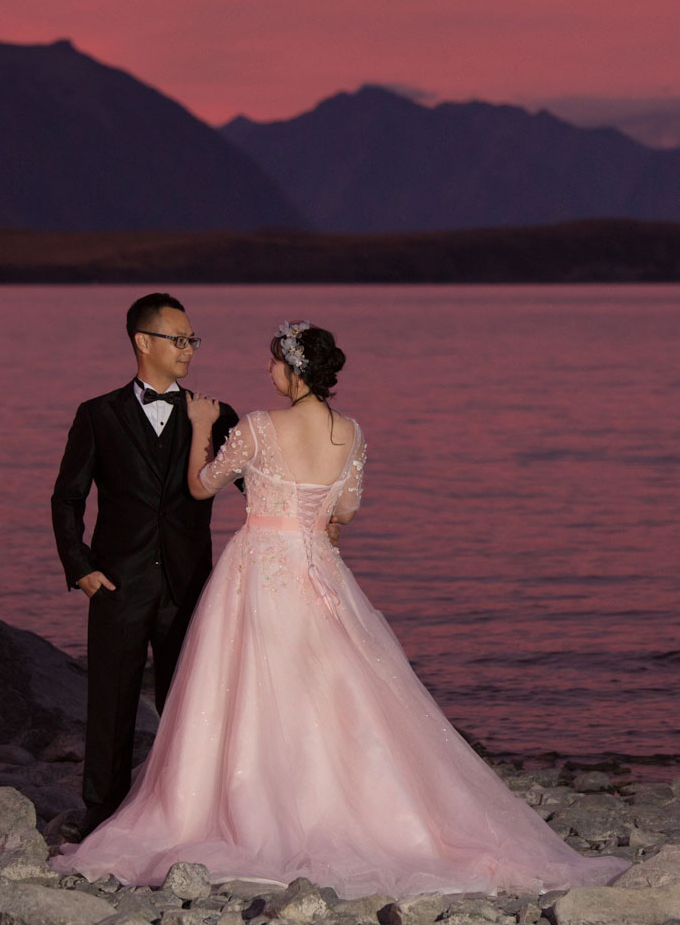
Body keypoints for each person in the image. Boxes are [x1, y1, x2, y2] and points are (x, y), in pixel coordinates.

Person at [51, 321, 628, 897]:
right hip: (316, 567)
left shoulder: (257, 424)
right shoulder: (351, 433)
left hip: (258, 569)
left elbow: (204, 486)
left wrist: (203, 425)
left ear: (296, 370)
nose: (269, 371)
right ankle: (342, 804)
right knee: (329, 686)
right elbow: (344, 511)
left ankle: (243, 807)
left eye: (275, 363)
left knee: (246, 685)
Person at [51, 293, 237, 835]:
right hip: (117, 581)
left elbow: (253, 482)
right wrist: (80, 567)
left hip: (190, 585)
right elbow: (68, 498)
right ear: (143, 342)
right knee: (111, 700)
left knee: (190, 703)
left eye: (192, 340)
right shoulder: (98, 415)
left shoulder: (214, 414)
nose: (189, 350)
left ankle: (190, 812)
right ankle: (101, 813)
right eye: (179, 340)